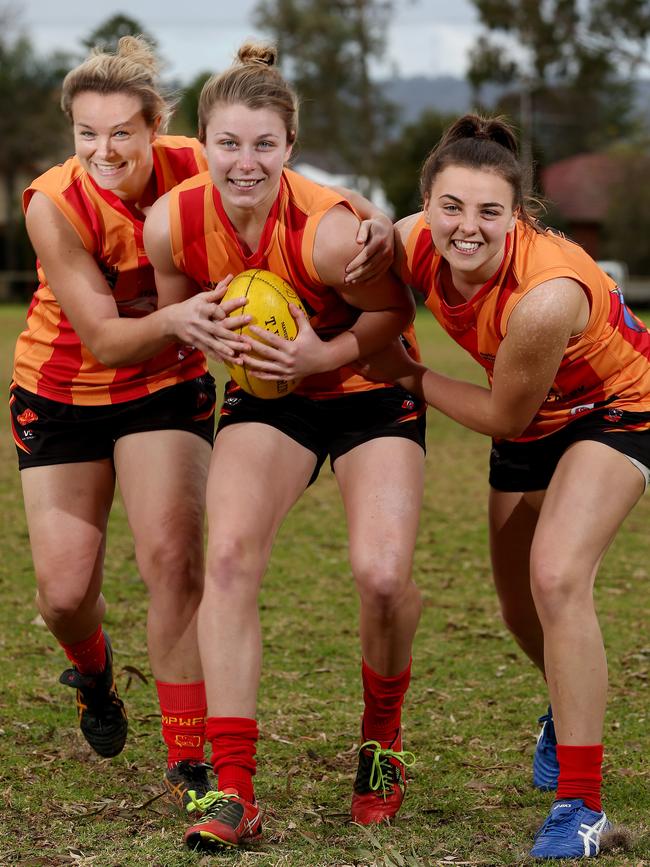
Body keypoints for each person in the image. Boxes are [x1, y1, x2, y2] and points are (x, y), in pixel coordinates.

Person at [8, 35, 390, 811]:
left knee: (175, 562)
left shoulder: (204, 158)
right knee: (62, 591)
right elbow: (109, 338)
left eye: (121, 131)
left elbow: (295, 181)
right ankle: (93, 670)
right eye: (86, 133)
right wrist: (183, 312)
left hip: (165, 383)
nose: (103, 149)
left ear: (157, 128)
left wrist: (375, 222)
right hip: (62, 389)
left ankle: (189, 763)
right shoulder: (54, 203)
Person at [144, 41, 426, 852]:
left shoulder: (332, 234)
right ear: (201, 145)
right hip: (274, 401)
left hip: (366, 389)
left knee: (381, 576)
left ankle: (381, 740)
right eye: (228, 143)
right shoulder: (173, 224)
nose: (244, 161)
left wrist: (321, 355)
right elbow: (183, 316)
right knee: (227, 558)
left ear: (291, 147)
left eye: (264, 144)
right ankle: (234, 788)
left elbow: (396, 318)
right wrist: (194, 328)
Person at [358, 113, 650, 859]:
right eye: (451, 206)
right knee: (519, 607)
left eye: (489, 211)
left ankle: (581, 803)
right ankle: (566, 706)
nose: (466, 227)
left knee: (557, 578)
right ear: (426, 201)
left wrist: (411, 376)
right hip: (532, 415)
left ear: (515, 216)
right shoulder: (412, 238)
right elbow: (349, 277)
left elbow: (499, 414)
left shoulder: (546, 294)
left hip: (615, 405)